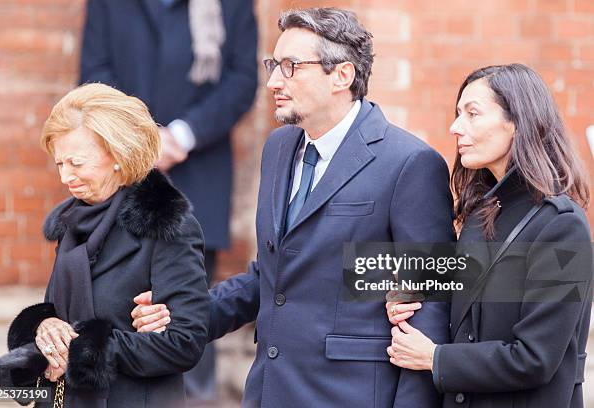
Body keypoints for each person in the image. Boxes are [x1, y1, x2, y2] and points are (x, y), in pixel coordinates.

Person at [133, 8, 455, 407]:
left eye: (290, 67)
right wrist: (182, 311)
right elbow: (270, 278)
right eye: (273, 65)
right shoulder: (279, 147)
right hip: (270, 390)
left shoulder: (409, 163)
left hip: (352, 396)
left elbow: (430, 301)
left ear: (342, 75)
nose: (272, 82)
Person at [79, 1, 258, 399]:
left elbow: (243, 79)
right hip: (119, 166)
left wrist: (182, 135)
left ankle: (194, 399)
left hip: (198, 169)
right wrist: (139, 137)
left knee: (188, 303)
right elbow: (94, 72)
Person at [0, 83, 210, 408]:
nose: (66, 177)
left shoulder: (166, 225)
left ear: (117, 154)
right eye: (60, 164)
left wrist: (82, 352)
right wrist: (44, 326)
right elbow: (60, 310)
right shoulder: (73, 221)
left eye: (76, 163)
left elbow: (184, 342)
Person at [385, 64, 592, 408]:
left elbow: (536, 357)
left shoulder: (562, 226)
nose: (455, 128)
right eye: (456, 114)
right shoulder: (481, 214)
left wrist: (435, 358)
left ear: (516, 123)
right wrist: (408, 293)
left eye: (472, 114)